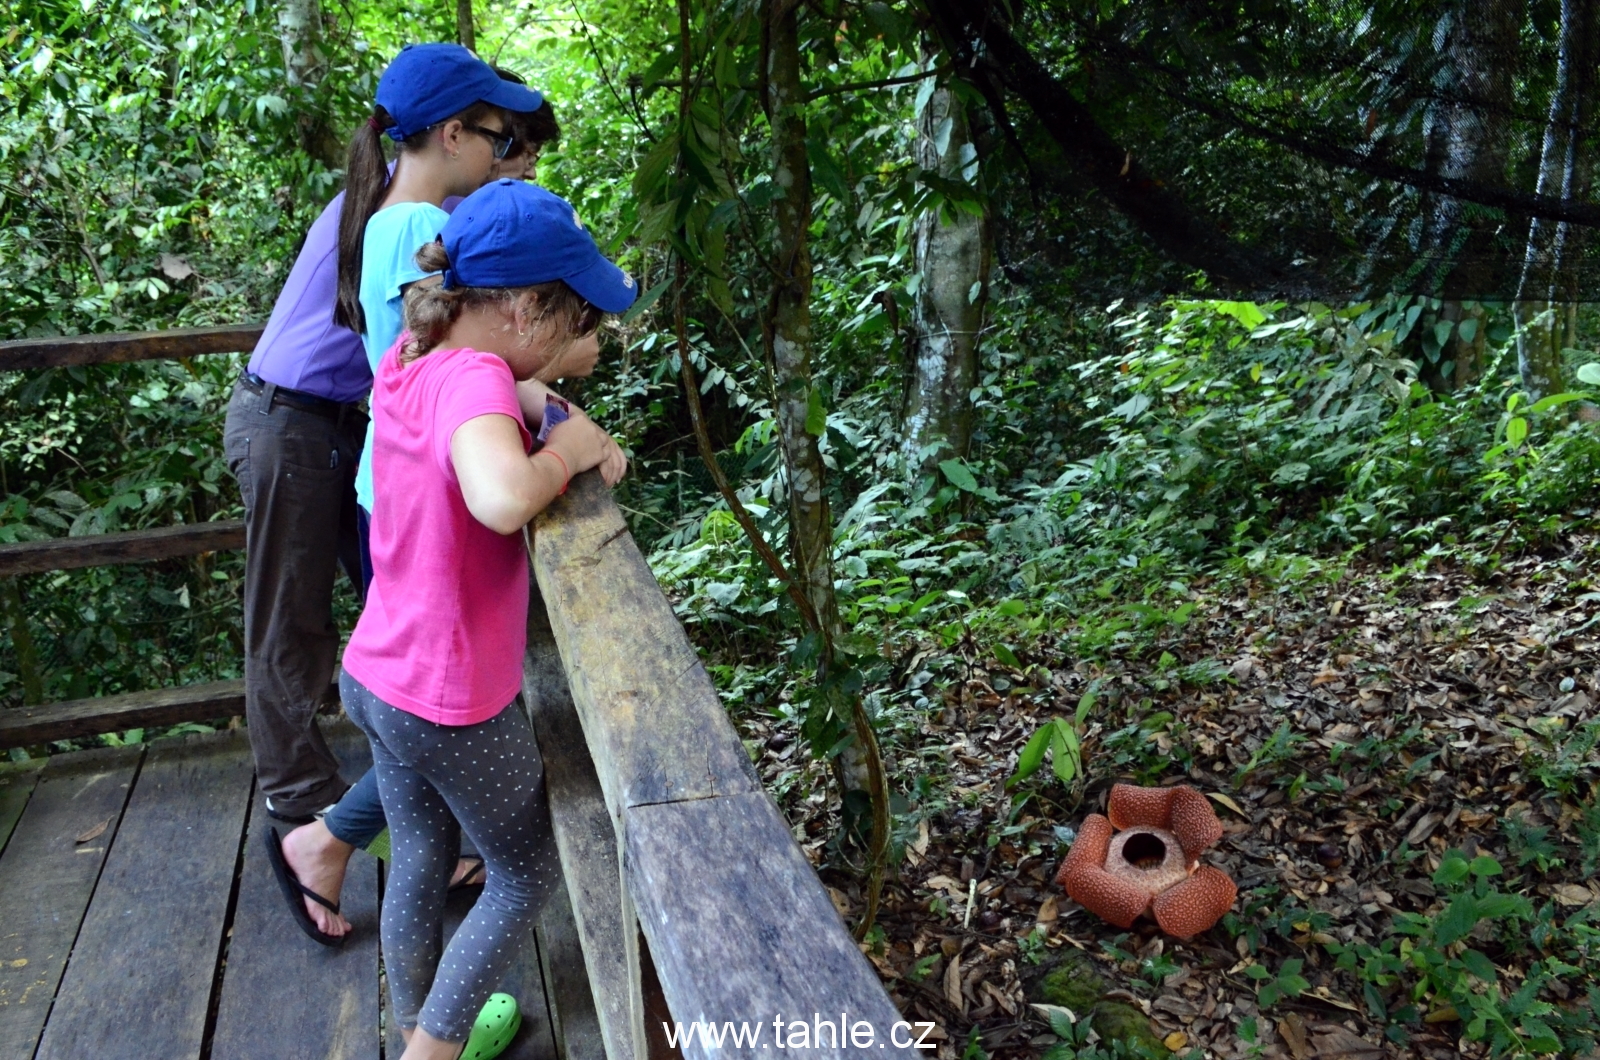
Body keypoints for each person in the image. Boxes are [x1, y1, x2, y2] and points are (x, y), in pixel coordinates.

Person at [252, 46, 576, 946]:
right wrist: (537, 397)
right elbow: (423, 370)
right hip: (346, 460)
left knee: (408, 701)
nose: (513, 156)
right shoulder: (412, 224)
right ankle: (318, 830)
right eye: (504, 138)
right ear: (454, 134)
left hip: (357, 454)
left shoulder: (397, 211)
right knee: (398, 688)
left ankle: (353, 838)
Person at [340, 178, 635, 1060]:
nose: (581, 337)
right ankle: (431, 1054)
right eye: (573, 317)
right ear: (521, 310)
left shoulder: (413, 353)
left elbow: (498, 399)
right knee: (527, 868)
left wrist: (553, 410)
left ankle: (411, 1028)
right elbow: (503, 496)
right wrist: (573, 451)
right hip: (447, 697)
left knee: (422, 853)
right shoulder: (475, 378)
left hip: (377, 674)